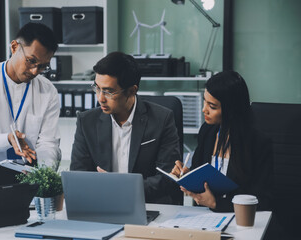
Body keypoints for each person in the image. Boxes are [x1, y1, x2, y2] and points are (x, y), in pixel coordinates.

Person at [0, 22, 61, 190]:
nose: (35, 71)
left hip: (30, 171)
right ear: (14, 47)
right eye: (31, 61)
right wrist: (6, 139)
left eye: (43, 66)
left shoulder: (48, 90)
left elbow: (48, 142)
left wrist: (44, 173)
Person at [70, 51, 182, 204]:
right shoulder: (86, 122)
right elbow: (79, 175)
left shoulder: (162, 119)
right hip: (102, 204)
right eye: (97, 88)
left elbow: (168, 176)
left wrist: (120, 188)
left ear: (132, 91)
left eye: (108, 92)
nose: (100, 98)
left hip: (147, 205)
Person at [171, 71, 273, 212]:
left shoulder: (258, 143)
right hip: (203, 216)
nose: (203, 110)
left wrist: (216, 204)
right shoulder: (207, 131)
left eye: (212, 106)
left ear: (231, 110)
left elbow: (263, 201)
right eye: (204, 101)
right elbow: (200, 173)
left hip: (239, 219)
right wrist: (187, 176)